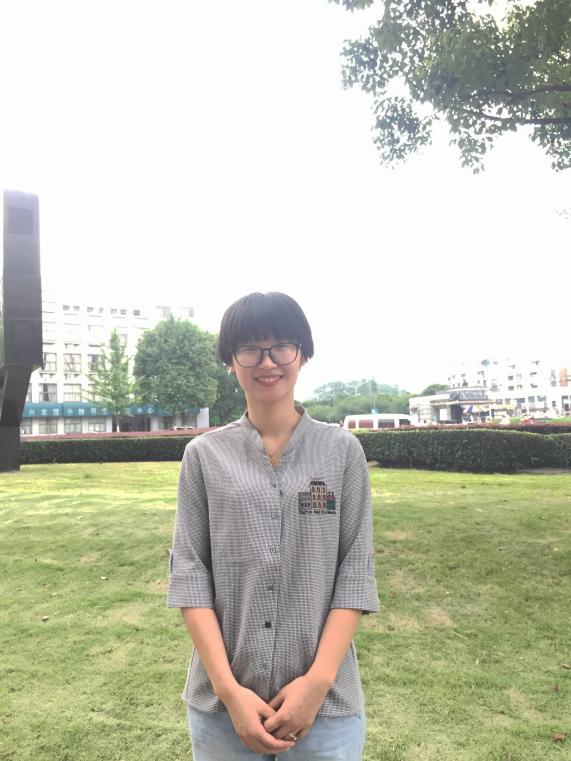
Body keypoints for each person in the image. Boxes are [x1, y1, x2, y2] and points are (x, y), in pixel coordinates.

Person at [166, 291, 380, 760]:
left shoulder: (342, 452)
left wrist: (317, 683)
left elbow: (355, 572)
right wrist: (230, 692)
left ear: (302, 354)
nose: (267, 362)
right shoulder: (203, 456)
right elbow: (190, 575)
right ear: (230, 361)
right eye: (250, 348)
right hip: (223, 708)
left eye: (281, 345)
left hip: (326, 706)